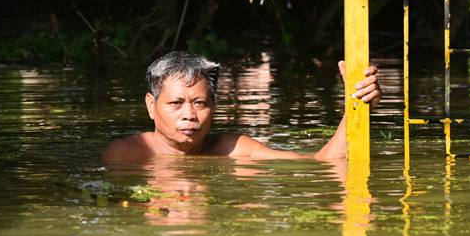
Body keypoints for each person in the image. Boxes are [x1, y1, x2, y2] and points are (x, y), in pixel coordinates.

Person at [102, 51, 381, 163]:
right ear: (151, 106)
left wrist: (357, 105)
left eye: (200, 103)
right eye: (176, 103)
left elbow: (321, 163)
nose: (189, 115)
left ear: (213, 106)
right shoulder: (126, 155)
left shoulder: (233, 149)